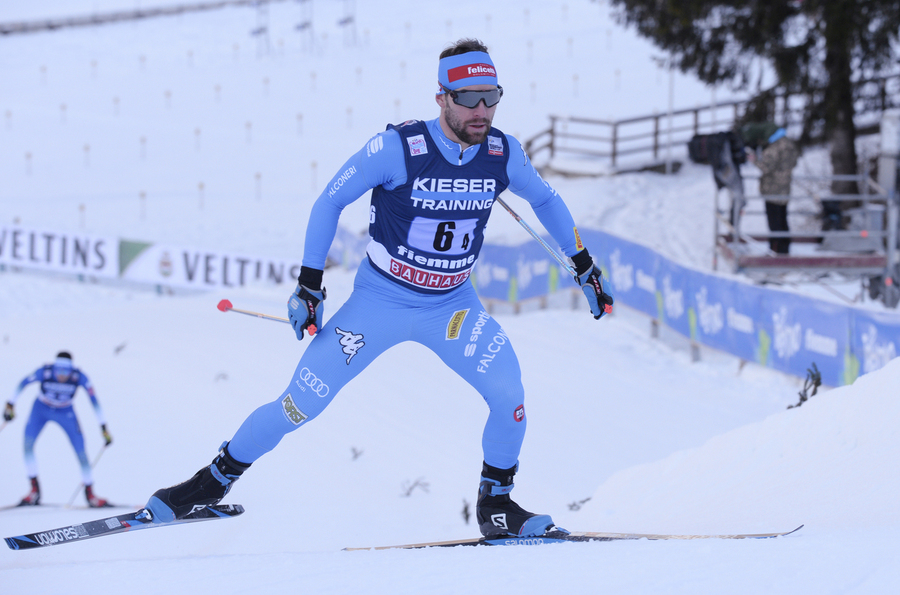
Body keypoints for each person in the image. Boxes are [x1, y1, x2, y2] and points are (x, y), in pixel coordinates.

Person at [145, 38, 613, 538]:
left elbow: (546, 199)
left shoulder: (502, 153)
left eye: (491, 97)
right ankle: (209, 484)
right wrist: (309, 286)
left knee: (509, 396)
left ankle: (496, 506)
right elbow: (329, 201)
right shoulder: (399, 148)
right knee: (299, 405)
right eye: (468, 98)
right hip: (379, 302)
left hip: (451, 307)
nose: (481, 111)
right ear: (441, 97)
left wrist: (584, 266)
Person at [4, 351, 113, 507]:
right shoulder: (45, 372)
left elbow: (94, 401)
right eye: (59, 370)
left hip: (65, 412)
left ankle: (90, 494)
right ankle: (34, 491)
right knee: (27, 445)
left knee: (81, 450)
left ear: (71, 370)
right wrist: (10, 405)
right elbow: (23, 383)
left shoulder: (78, 377)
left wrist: (104, 428)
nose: (62, 375)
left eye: (66, 371)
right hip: (41, 409)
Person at [750, 127, 800, 254]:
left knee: (774, 223)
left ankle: (775, 251)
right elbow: (794, 163)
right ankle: (784, 250)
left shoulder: (774, 147)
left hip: (772, 190)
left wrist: (754, 160)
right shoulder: (790, 145)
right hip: (785, 189)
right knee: (783, 220)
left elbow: (766, 167)